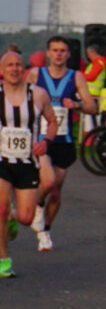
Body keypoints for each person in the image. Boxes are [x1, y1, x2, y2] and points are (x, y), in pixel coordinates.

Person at [24, 36, 97, 251]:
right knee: (48, 182)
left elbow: (92, 107)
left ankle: (45, 229)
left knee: (56, 191)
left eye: (63, 51)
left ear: (68, 54)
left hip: (64, 139)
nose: (58, 54)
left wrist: (75, 104)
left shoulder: (77, 77)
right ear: (47, 53)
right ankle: (37, 206)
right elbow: (21, 99)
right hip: (40, 138)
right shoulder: (36, 75)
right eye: (54, 50)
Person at [0, 51, 58, 277]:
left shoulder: (38, 95)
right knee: (1, 208)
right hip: (2, 160)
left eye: (18, 65)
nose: (15, 69)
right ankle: (3, 258)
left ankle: (13, 218)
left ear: (24, 69)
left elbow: (52, 121)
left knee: (26, 217)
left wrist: (46, 142)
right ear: (3, 71)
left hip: (27, 162)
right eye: (10, 65)